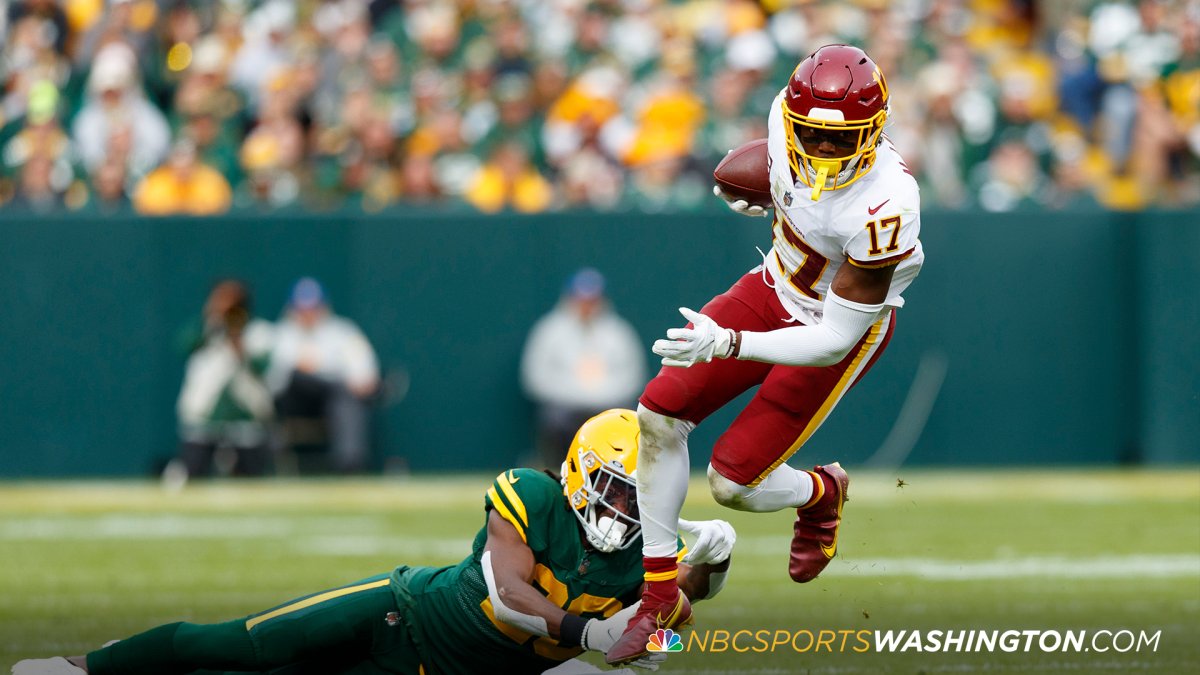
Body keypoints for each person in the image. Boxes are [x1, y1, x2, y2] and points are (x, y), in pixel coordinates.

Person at [607, 44, 924, 665]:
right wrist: (773, 201)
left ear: (874, 131)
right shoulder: (784, 118)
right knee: (655, 415)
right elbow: (792, 191)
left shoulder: (888, 206)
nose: (827, 153)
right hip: (773, 286)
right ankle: (659, 596)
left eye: (844, 140)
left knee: (732, 485)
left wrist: (727, 342)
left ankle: (817, 493)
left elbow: (831, 337)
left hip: (839, 327)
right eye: (815, 137)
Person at [13, 410, 735, 675]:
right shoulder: (535, 492)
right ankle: (82, 666)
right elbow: (510, 595)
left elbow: (671, 638)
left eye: (633, 493)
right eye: (610, 486)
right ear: (579, 471)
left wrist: (708, 573)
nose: (620, 506)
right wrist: (592, 628)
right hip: (402, 614)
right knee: (240, 645)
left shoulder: (652, 563)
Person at [520, 268, 647, 468]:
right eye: (581, 299)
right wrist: (575, 395)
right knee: (553, 420)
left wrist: (601, 396)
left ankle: (622, 471)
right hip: (565, 407)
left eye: (592, 300)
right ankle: (556, 470)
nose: (586, 306)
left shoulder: (618, 332)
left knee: (628, 419)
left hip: (608, 406)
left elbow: (632, 377)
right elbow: (535, 377)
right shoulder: (550, 331)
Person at [266, 277, 380, 473]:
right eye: (302, 308)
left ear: (324, 307)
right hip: (294, 401)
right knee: (326, 384)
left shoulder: (343, 331)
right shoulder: (280, 335)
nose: (308, 313)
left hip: (335, 400)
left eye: (313, 307)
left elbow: (364, 374)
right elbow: (277, 377)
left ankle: (350, 466)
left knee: (344, 396)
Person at [170, 280, 275, 480]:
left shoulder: (259, 332)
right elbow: (183, 345)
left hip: (246, 419)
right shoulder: (205, 329)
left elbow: (263, 367)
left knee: (250, 477)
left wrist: (238, 339)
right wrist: (211, 321)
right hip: (204, 417)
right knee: (192, 472)